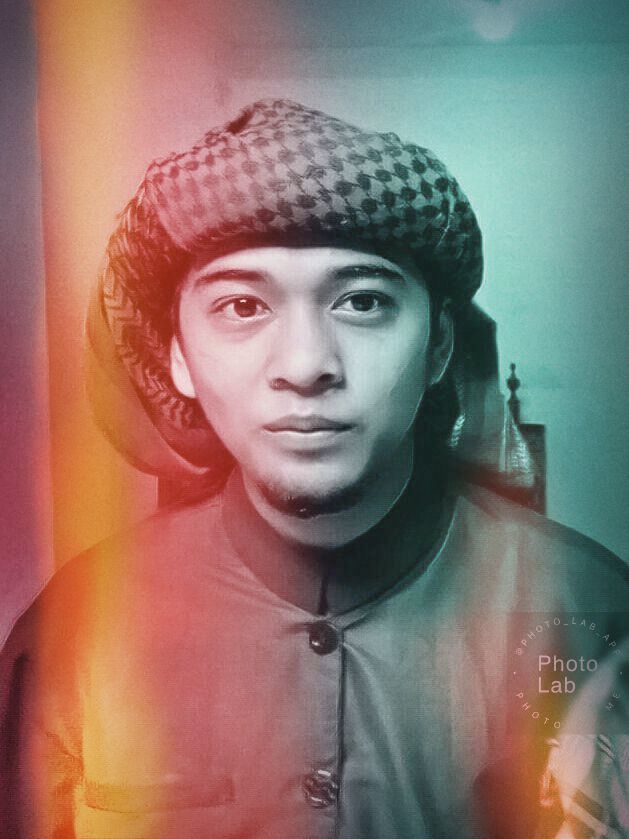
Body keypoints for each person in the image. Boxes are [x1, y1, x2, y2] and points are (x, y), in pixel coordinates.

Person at [1, 99, 627, 838]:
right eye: (241, 305)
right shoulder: (76, 629)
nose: (305, 365)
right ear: (178, 357)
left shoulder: (592, 611)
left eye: (361, 301)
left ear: (438, 348)